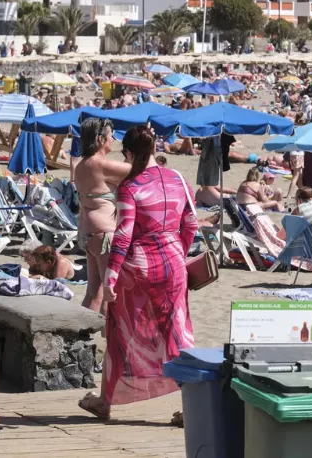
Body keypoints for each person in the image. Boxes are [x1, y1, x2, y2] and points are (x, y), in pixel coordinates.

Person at [78, 125, 198, 421]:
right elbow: (192, 223)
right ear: (156, 147)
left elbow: (123, 236)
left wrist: (111, 278)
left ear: (129, 153)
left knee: (120, 332)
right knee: (177, 334)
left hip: (138, 267)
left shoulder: (130, 187)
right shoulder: (178, 179)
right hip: (173, 262)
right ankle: (191, 407)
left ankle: (105, 402)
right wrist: (178, 252)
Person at [73, 118, 132, 314]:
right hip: (104, 234)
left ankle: (81, 336)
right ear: (100, 139)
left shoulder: (82, 165)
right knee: (110, 292)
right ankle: (109, 340)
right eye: (111, 135)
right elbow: (141, 171)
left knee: (93, 292)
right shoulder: (100, 164)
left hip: (88, 234)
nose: (114, 139)